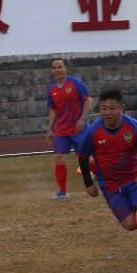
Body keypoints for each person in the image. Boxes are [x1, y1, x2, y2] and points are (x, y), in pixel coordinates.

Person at [76, 89, 137, 265]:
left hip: (135, 179)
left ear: (121, 108)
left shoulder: (135, 127)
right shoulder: (93, 132)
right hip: (110, 185)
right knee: (129, 224)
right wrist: (88, 183)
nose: (107, 112)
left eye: (112, 108)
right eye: (103, 108)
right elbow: (83, 157)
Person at [47, 58, 92, 200]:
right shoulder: (52, 89)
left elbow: (88, 100)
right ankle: (63, 191)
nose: (57, 70)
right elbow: (53, 109)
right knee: (59, 158)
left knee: (87, 159)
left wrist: (82, 120)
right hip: (61, 131)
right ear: (52, 71)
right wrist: (50, 129)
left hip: (79, 129)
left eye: (60, 67)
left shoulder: (75, 83)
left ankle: (104, 178)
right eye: (54, 68)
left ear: (65, 69)